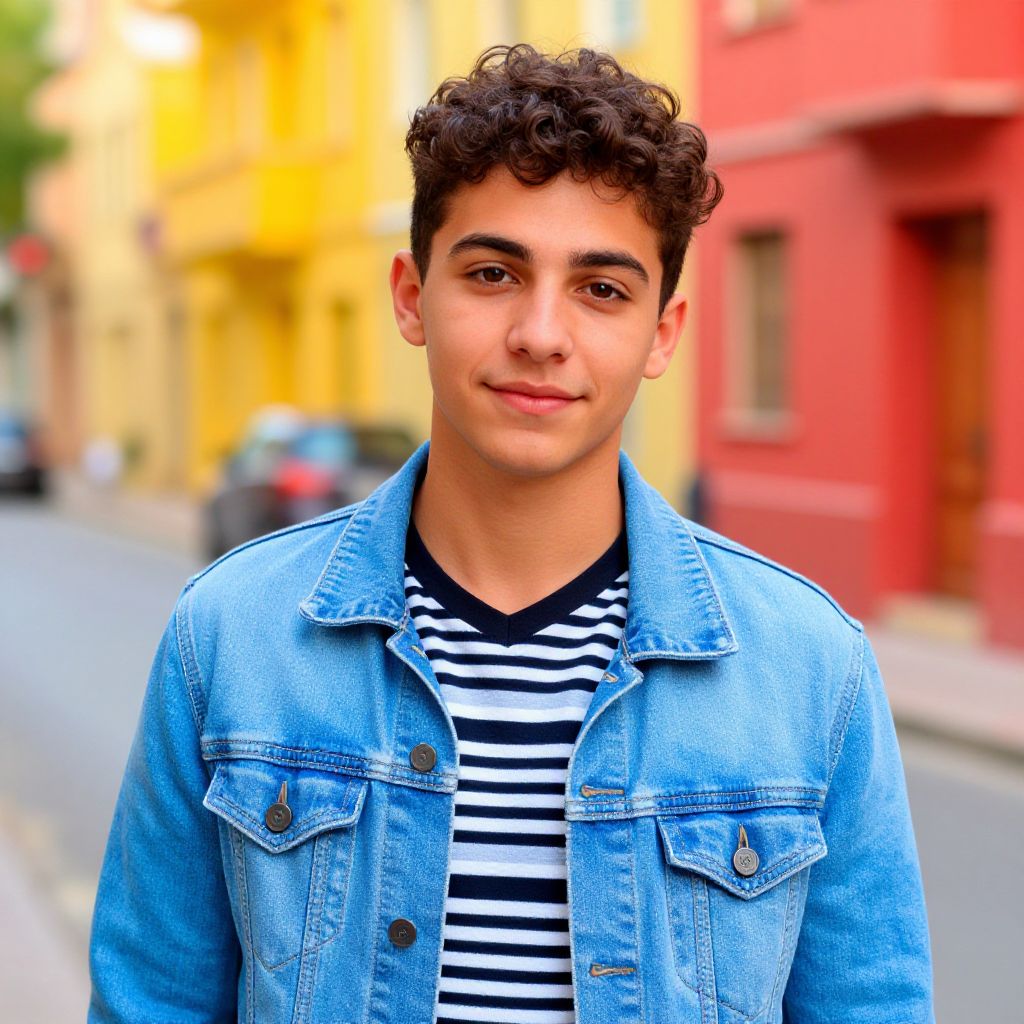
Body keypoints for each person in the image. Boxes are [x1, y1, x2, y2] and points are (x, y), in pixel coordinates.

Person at [87, 43, 934, 1024]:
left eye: (602, 289)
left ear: (664, 330)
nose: (540, 332)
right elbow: (150, 1001)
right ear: (412, 295)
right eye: (493, 272)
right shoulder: (230, 633)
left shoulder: (807, 664)